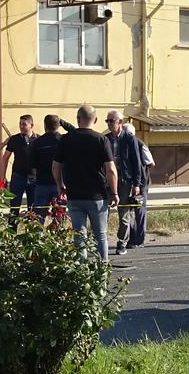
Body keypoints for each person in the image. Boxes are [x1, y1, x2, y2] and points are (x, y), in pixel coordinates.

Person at [53, 105, 118, 262]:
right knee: (100, 235)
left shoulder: (66, 139)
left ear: (77, 119)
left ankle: (81, 272)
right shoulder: (102, 140)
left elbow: (55, 166)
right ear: (95, 120)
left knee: (79, 236)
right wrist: (114, 192)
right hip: (97, 196)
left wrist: (60, 186)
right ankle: (102, 269)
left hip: (74, 195)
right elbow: (111, 170)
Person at [105, 110, 144, 256]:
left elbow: (136, 162)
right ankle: (102, 242)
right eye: (107, 121)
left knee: (124, 215)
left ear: (120, 122)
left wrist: (136, 184)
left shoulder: (129, 138)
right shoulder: (105, 139)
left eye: (111, 121)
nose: (109, 124)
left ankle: (121, 243)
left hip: (125, 180)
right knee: (104, 213)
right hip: (108, 180)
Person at [29, 115, 75, 221]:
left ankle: (38, 236)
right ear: (58, 126)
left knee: (39, 216)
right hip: (60, 183)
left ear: (45, 125)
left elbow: (32, 164)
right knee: (59, 215)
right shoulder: (64, 140)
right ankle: (59, 236)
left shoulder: (37, 142)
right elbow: (75, 132)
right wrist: (63, 122)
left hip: (42, 183)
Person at [0, 114, 37, 215]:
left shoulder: (38, 140)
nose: (21, 126)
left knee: (33, 209)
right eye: (20, 124)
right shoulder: (14, 139)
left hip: (34, 178)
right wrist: (2, 177)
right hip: (18, 177)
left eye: (24, 124)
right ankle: (12, 228)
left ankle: (32, 229)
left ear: (31, 125)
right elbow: (5, 158)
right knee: (14, 207)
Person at [124, 123, 154, 249]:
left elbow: (151, 162)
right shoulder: (140, 144)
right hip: (140, 182)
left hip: (138, 183)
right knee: (139, 211)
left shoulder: (138, 144)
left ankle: (135, 238)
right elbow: (151, 163)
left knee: (130, 211)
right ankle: (138, 239)